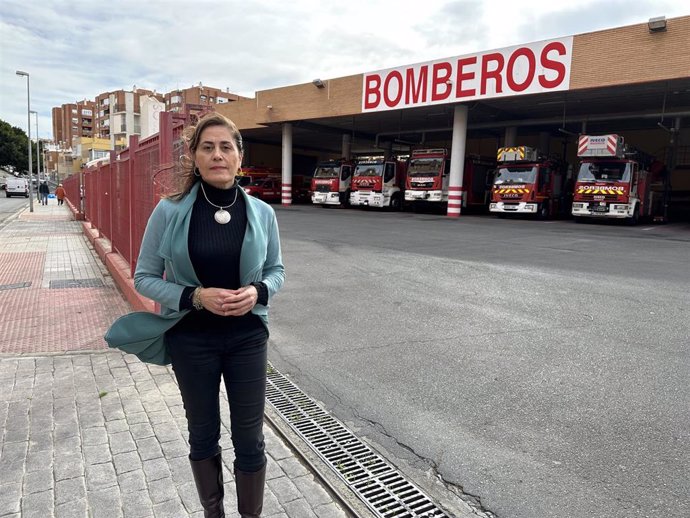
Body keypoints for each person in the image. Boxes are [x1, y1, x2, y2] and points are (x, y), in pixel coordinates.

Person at [105, 112, 285, 517]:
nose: (217, 154)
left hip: (247, 338)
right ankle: (213, 513)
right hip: (191, 338)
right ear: (194, 157)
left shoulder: (262, 213)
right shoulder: (169, 212)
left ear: (240, 156)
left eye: (226, 146)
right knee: (203, 435)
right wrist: (195, 297)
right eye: (208, 147)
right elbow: (145, 277)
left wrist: (258, 290)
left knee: (250, 438)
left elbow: (277, 271)